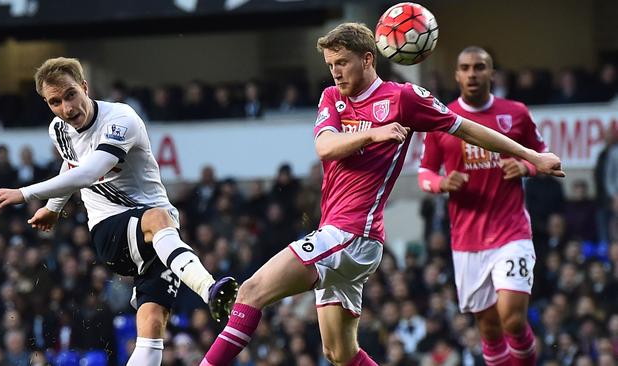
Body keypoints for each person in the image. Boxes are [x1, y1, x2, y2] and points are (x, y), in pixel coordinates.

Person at [201, 24, 563, 366]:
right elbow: (325, 147)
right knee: (339, 354)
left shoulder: (403, 98)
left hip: (353, 233)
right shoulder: (332, 98)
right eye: (330, 65)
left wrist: (531, 157)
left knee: (250, 292)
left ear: (368, 58)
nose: (336, 73)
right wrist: (372, 135)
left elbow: (467, 129)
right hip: (342, 236)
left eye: (342, 62)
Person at [0, 57, 238, 366]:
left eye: (70, 95)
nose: (66, 107)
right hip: (111, 229)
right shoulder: (59, 130)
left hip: (159, 236)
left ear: (85, 87)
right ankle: (209, 288)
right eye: (55, 102)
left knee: (152, 327)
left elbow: (88, 171)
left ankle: (207, 292)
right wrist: (51, 205)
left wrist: (32, 196)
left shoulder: (121, 120)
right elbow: (74, 163)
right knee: (158, 216)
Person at [418, 46, 552, 366]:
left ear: (492, 73)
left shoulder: (516, 112)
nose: (472, 74)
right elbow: (424, 172)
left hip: (511, 232)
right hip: (467, 240)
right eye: (465, 68)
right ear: (456, 74)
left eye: (480, 67)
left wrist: (526, 167)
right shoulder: (442, 119)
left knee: (513, 319)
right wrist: (441, 184)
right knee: (490, 330)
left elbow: (542, 153)